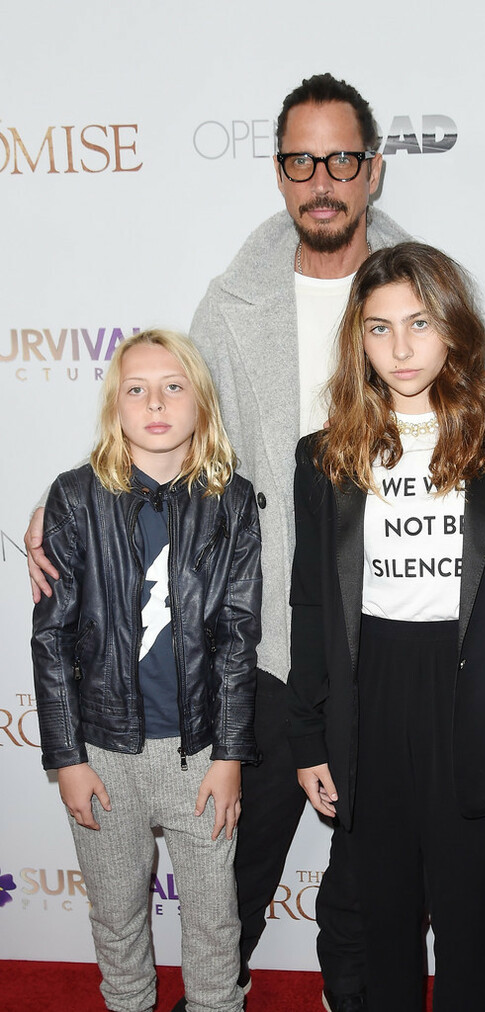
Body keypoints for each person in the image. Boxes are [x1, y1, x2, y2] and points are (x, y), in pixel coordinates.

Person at [24, 73, 485, 1012]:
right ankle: (218, 994)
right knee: (235, 867)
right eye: (300, 161)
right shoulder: (232, 302)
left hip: (394, 641)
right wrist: (67, 499)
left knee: (372, 870)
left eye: (340, 160)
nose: (321, 181)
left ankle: (352, 993)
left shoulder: (422, 292)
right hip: (272, 642)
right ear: (280, 172)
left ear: (373, 169)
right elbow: (176, 427)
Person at [286, 242, 485, 1012]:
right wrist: (307, 736)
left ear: (453, 329)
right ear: (358, 339)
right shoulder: (325, 457)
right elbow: (312, 605)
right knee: (386, 922)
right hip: (370, 699)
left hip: (472, 701)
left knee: (469, 926)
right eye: (379, 328)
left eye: (420, 323)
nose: (400, 348)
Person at [31, 329, 262, 1012]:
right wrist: (68, 759)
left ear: (201, 402)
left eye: (173, 386)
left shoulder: (232, 500)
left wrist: (230, 755)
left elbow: (238, 638)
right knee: (117, 916)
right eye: (137, 389)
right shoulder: (74, 498)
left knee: (216, 922)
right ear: (115, 405)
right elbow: (51, 639)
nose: (155, 403)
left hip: (200, 756)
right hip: (104, 755)